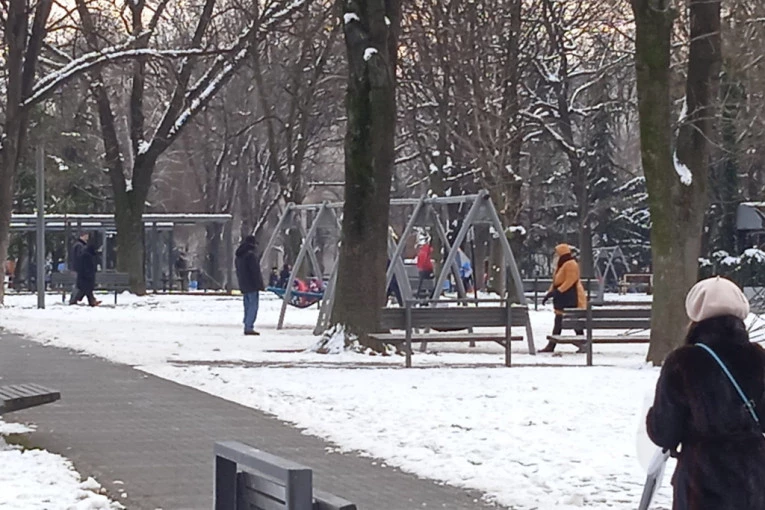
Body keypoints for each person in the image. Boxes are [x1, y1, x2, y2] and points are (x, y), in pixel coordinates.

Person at [646, 276, 765, 510]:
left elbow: (664, 433)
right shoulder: (758, 358)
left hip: (701, 482)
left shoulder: (682, 362)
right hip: (754, 479)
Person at [539, 244, 586, 353]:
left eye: (556, 253)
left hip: (571, 297)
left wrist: (557, 291)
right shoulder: (561, 265)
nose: (555, 255)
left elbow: (570, 281)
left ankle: (582, 343)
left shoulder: (570, 264)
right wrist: (549, 293)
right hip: (562, 298)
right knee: (561, 321)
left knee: (572, 321)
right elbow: (556, 282)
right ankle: (553, 345)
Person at [235, 235, 265, 336]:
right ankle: (249, 326)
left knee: (247, 305)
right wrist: (260, 285)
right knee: (253, 305)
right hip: (252, 284)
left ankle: (247, 324)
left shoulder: (239, 256)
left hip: (243, 284)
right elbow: (255, 272)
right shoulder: (250, 256)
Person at [73, 238, 101, 307]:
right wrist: (89, 274)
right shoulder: (87, 256)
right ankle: (75, 300)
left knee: (87, 290)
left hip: (85, 276)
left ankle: (92, 301)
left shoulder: (86, 254)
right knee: (85, 289)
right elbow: (87, 266)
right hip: (86, 276)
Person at [68, 232, 89, 304]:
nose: (87, 238)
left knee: (80, 284)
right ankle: (74, 299)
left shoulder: (78, 245)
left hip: (78, 268)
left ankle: (75, 299)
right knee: (79, 285)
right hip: (79, 269)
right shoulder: (79, 246)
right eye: (86, 236)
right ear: (81, 236)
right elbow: (80, 257)